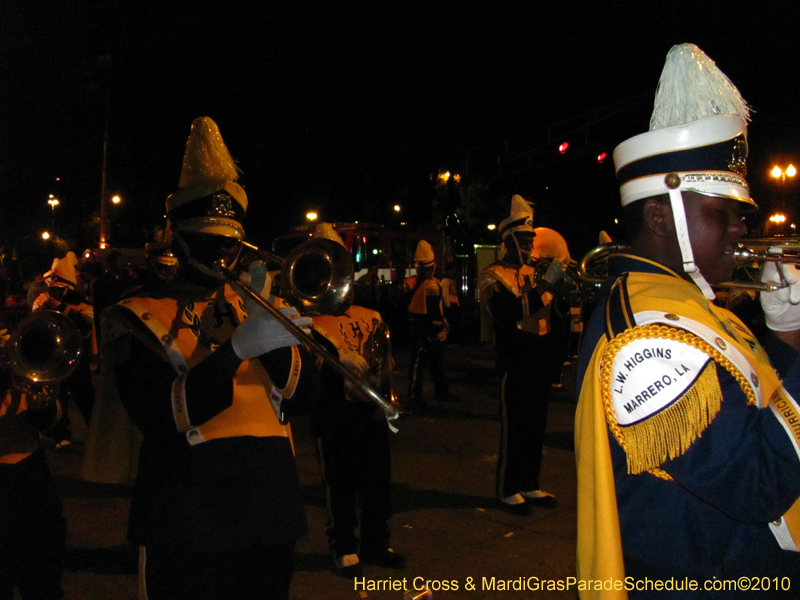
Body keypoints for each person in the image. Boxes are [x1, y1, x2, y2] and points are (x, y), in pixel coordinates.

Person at [575, 44, 800, 598]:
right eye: (724, 214)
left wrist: (784, 332)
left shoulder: (684, 302)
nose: (740, 230)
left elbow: (756, 399)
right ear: (660, 216)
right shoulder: (644, 337)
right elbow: (755, 483)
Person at [99, 117, 320, 600]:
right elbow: (162, 415)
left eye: (229, 242)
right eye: (208, 241)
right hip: (188, 518)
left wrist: (274, 337)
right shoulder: (133, 315)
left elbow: (304, 400)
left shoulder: (253, 305)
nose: (221, 253)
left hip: (270, 511)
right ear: (176, 237)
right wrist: (237, 349)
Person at [308, 223, 404, 578]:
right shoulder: (306, 321)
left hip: (370, 411)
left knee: (378, 481)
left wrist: (384, 389)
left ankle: (377, 542)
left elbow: (386, 363)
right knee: (340, 483)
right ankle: (344, 545)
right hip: (334, 412)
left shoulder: (370, 314)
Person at [479, 195, 565, 515]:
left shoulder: (535, 272)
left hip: (539, 358)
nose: (530, 245)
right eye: (524, 239)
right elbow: (510, 312)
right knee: (515, 427)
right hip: (514, 358)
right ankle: (507, 489)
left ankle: (530, 482)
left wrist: (561, 287)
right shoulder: (492, 275)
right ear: (509, 240)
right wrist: (548, 285)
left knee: (536, 427)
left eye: (531, 239)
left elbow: (552, 315)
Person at [0, 322, 67, 600]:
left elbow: (53, 426)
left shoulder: (13, 354)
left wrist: (43, 408)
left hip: (31, 473)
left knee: (43, 577)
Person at [31, 251, 96, 446]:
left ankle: (96, 434)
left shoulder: (82, 304)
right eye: (54, 289)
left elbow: (85, 325)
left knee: (86, 398)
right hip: (53, 359)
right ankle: (62, 435)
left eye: (60, 290)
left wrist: (61, 307)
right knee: (57, 398)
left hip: (76, 360)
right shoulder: (42, 300)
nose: (55, 293)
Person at [405, 239, 448, 413]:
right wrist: (439, 328)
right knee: (426, 363)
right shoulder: (433, 284)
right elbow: (434, 310)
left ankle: (423, 393)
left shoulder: (411, 282)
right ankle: (417, 396)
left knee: (420, 363)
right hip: (428, 329)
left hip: (417, 327)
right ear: (433, 265)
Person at [440, 262, 461, 343]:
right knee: (451, 323)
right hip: (450, 304)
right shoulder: (446, 281)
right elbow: (445, 294)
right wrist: (448, 306)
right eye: (452, 270)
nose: (453, 271)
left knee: (454, 323)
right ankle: (450, 340)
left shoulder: (451, 280)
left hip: (453, 304)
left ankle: (452, 340)